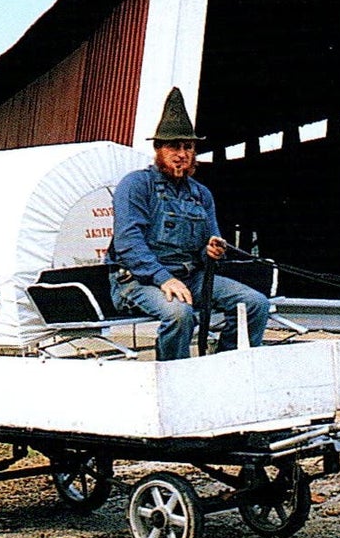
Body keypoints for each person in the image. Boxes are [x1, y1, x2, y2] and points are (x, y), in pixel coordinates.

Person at [110, 88, 271, 360]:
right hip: (138, 281)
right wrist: (164, 278)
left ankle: (225, 367)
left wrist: (214, 251)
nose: (181, 153)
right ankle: (174, 383)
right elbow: (128, 243)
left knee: (255, 304)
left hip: (190, 278)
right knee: (179, 314)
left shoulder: (200, 194)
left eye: (188, 146)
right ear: (158, 149)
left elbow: (213, 240)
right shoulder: (136, 185)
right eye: (174, 146)